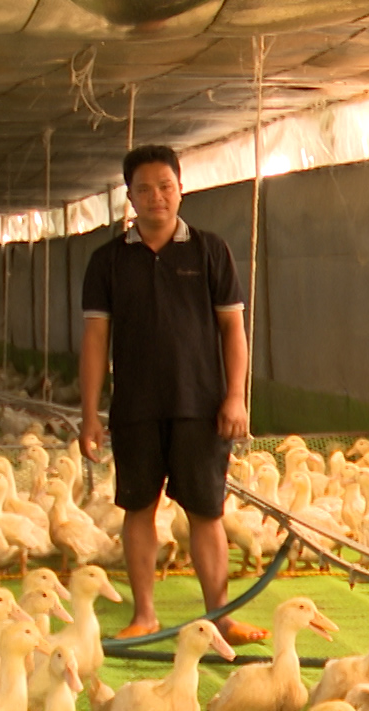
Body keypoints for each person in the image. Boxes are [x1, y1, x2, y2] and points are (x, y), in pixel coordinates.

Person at [78, 144, 265, 647]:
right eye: (144, 188)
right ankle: (144, 614)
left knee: (207, 512)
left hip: (200, 406)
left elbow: (233, 330)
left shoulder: (210, 251)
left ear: (181, 188)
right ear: (130, 197)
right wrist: (91, 413)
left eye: (165, 185)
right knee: (138, 508)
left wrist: (234, 397)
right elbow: (95, 340)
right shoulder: (108, 261)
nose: (156, 196)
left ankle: (221, 616)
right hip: (135, 407)